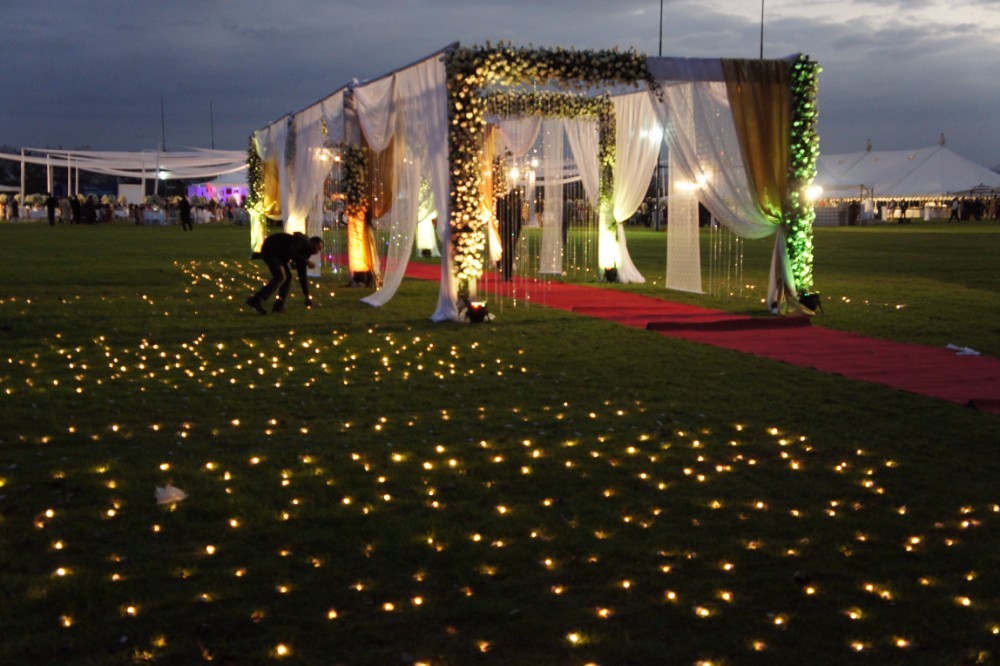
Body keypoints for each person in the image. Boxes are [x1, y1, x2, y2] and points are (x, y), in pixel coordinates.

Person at [246, 231, 323, 314]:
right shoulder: (301, 242)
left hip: (279, 255)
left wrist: (306, 295)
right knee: (280, 276)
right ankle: (256, 300)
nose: (317, 252)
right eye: (318, 248)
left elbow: (302, 274)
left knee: (288, 277)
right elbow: (290, 252)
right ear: (313, 243)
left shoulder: (305, 252)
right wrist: (306, 261)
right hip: (271, 250)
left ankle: (279, 305)